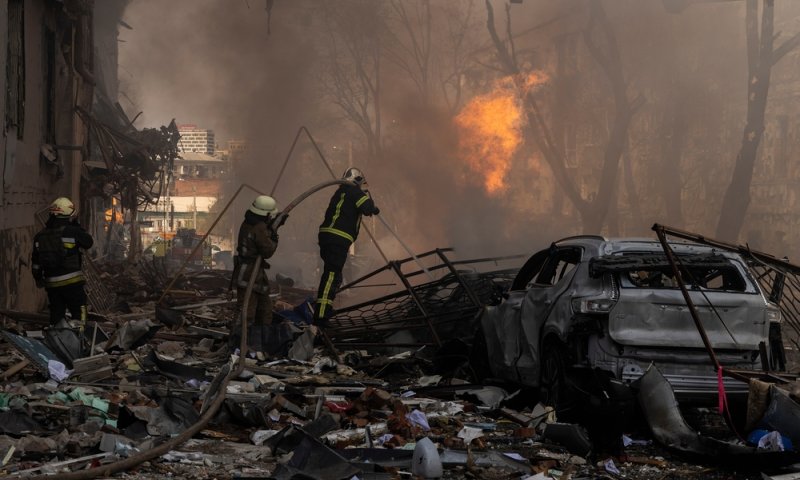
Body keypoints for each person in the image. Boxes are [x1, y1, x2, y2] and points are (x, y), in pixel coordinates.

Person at [314, 167, 379, 324]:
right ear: (357, 181)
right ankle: (321, 315)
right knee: (331, 275)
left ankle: (326, 307)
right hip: (338, 238)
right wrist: (374, 207)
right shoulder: (355, 192)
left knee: (334, 275)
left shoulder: (340, 193)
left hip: (326, 237)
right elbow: (367, 209)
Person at [31, 197, 94, 329]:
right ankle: (80, 340)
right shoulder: (72, 231)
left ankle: (57, 341)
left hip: (52, 284)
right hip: (72, 283)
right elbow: (88, 242)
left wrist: (38, 279)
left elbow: (36, 263)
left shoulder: (40, 236)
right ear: (69, 215)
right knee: (79, 312)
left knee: (56, 315)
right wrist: (76, 226)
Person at [233, 195, 280, 353]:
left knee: (265, 310)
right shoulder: (259, 227)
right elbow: (268, 251)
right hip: (249, 275)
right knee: (247, 313)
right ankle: (237, 347)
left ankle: (259, 347)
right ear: (266, 214)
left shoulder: (249, 223)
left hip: (256, 275)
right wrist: (274, 237)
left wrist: (270, 229)